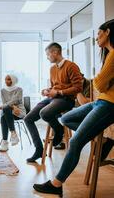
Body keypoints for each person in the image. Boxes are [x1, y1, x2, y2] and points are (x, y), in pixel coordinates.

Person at [33, 19, 114, 196]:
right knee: (66, 118)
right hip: (101, 101)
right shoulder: (108, 55)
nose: (96, 38)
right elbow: (100, 84)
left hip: (109, 104)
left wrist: (59, 91)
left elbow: (98, 84)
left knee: (76, 141)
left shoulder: (113, 54)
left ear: (108, 32)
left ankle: (56, 183)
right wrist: (51, 90)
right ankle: (99, 139)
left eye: (99, 33)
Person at [23, 42, 83, 163]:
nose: (47, 57)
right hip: (53, 98)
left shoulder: (71, 66)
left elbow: (78, 88)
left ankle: (59, 130)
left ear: (55, 52)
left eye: (48, 54)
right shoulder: (52, 69)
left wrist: (59, 92)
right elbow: (53, 87)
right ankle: (39, 149)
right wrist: (47, 90)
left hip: (66, 99)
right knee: (28, 119)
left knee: (44, 113)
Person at [0, 74, 26, 151]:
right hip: (8, 111)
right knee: (5, 112)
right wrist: (11, 106)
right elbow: (5, 103)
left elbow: (15, 100)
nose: (6, 81)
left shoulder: (19, 89)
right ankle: (13, 134)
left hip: (18, 111)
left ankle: (5, 142)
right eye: (5, 79)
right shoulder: (3, 90)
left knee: (4, 114)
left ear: (13, 80)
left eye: (9, 79)